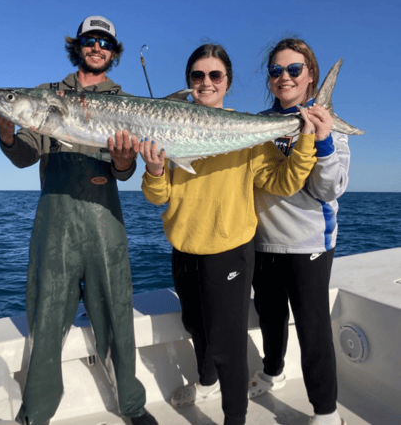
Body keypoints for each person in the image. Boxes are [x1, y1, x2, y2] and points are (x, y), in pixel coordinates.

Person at [137, 43, 321, 425]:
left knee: (227, 344)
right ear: (188, 82)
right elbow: (160, 196)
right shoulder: (167, 124)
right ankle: (206, 382)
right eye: (197, 76)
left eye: (215, 75)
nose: (206, 83)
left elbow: (283, 181)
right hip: (184, 248)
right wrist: (154, 171)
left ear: (227, 82)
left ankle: (234, 418)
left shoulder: (246, 130)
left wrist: (307, 140)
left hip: (230, 251)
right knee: (195, 326)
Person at [0, 16, 158, 425]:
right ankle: (37, 411)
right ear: (77, 46)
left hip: (104, 218)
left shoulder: (126, 103)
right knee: (46, 316)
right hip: (55, 219)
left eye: (104, 42)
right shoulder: (48, 96)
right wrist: (8, 133)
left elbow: (124, 172)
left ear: (112, 52)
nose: (96, 47)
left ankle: (131, 404)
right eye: (89, 40)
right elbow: (27, 154)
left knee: (118, 312)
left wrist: (123, 160)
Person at [249, 38, 348, 425]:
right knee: (270, 317)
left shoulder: (332, 129)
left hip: (308, 244)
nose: (284, 77)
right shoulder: (257, 124)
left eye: (294, 69)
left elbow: (329, 189)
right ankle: (273, 372)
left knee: (313, 328)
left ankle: (326, 411)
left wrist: (321, 140)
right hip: (262, 243)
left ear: (311, 77)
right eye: (276, 70)